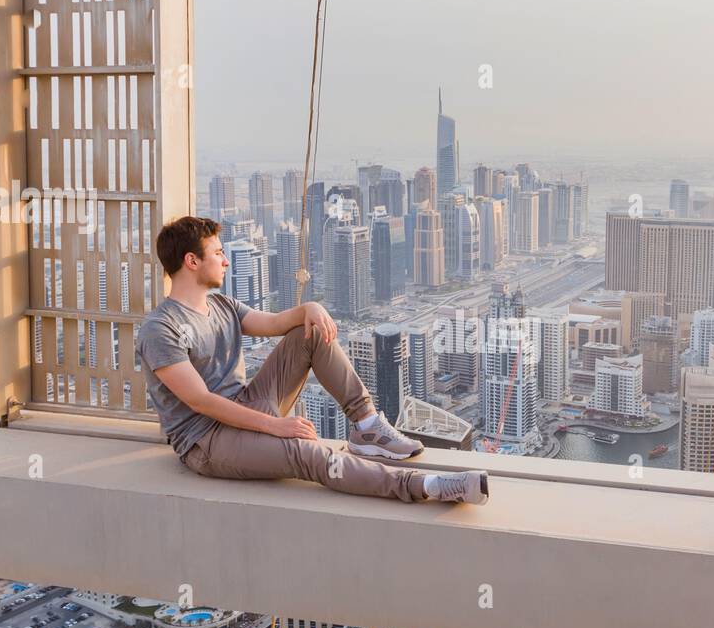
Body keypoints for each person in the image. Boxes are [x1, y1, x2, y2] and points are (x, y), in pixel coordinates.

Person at [136, 215, 488, 504]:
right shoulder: (161, 328)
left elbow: (275, 324)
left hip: (247, 406)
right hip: (208, 440)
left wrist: (311, 308)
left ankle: (366, 427)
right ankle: (426, 486)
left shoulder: (221, 305)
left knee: (311, 332)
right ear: (192, 261)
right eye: (217, 253)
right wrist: (277, 426)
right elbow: (201, 402)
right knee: (307, 453)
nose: (225, 260)